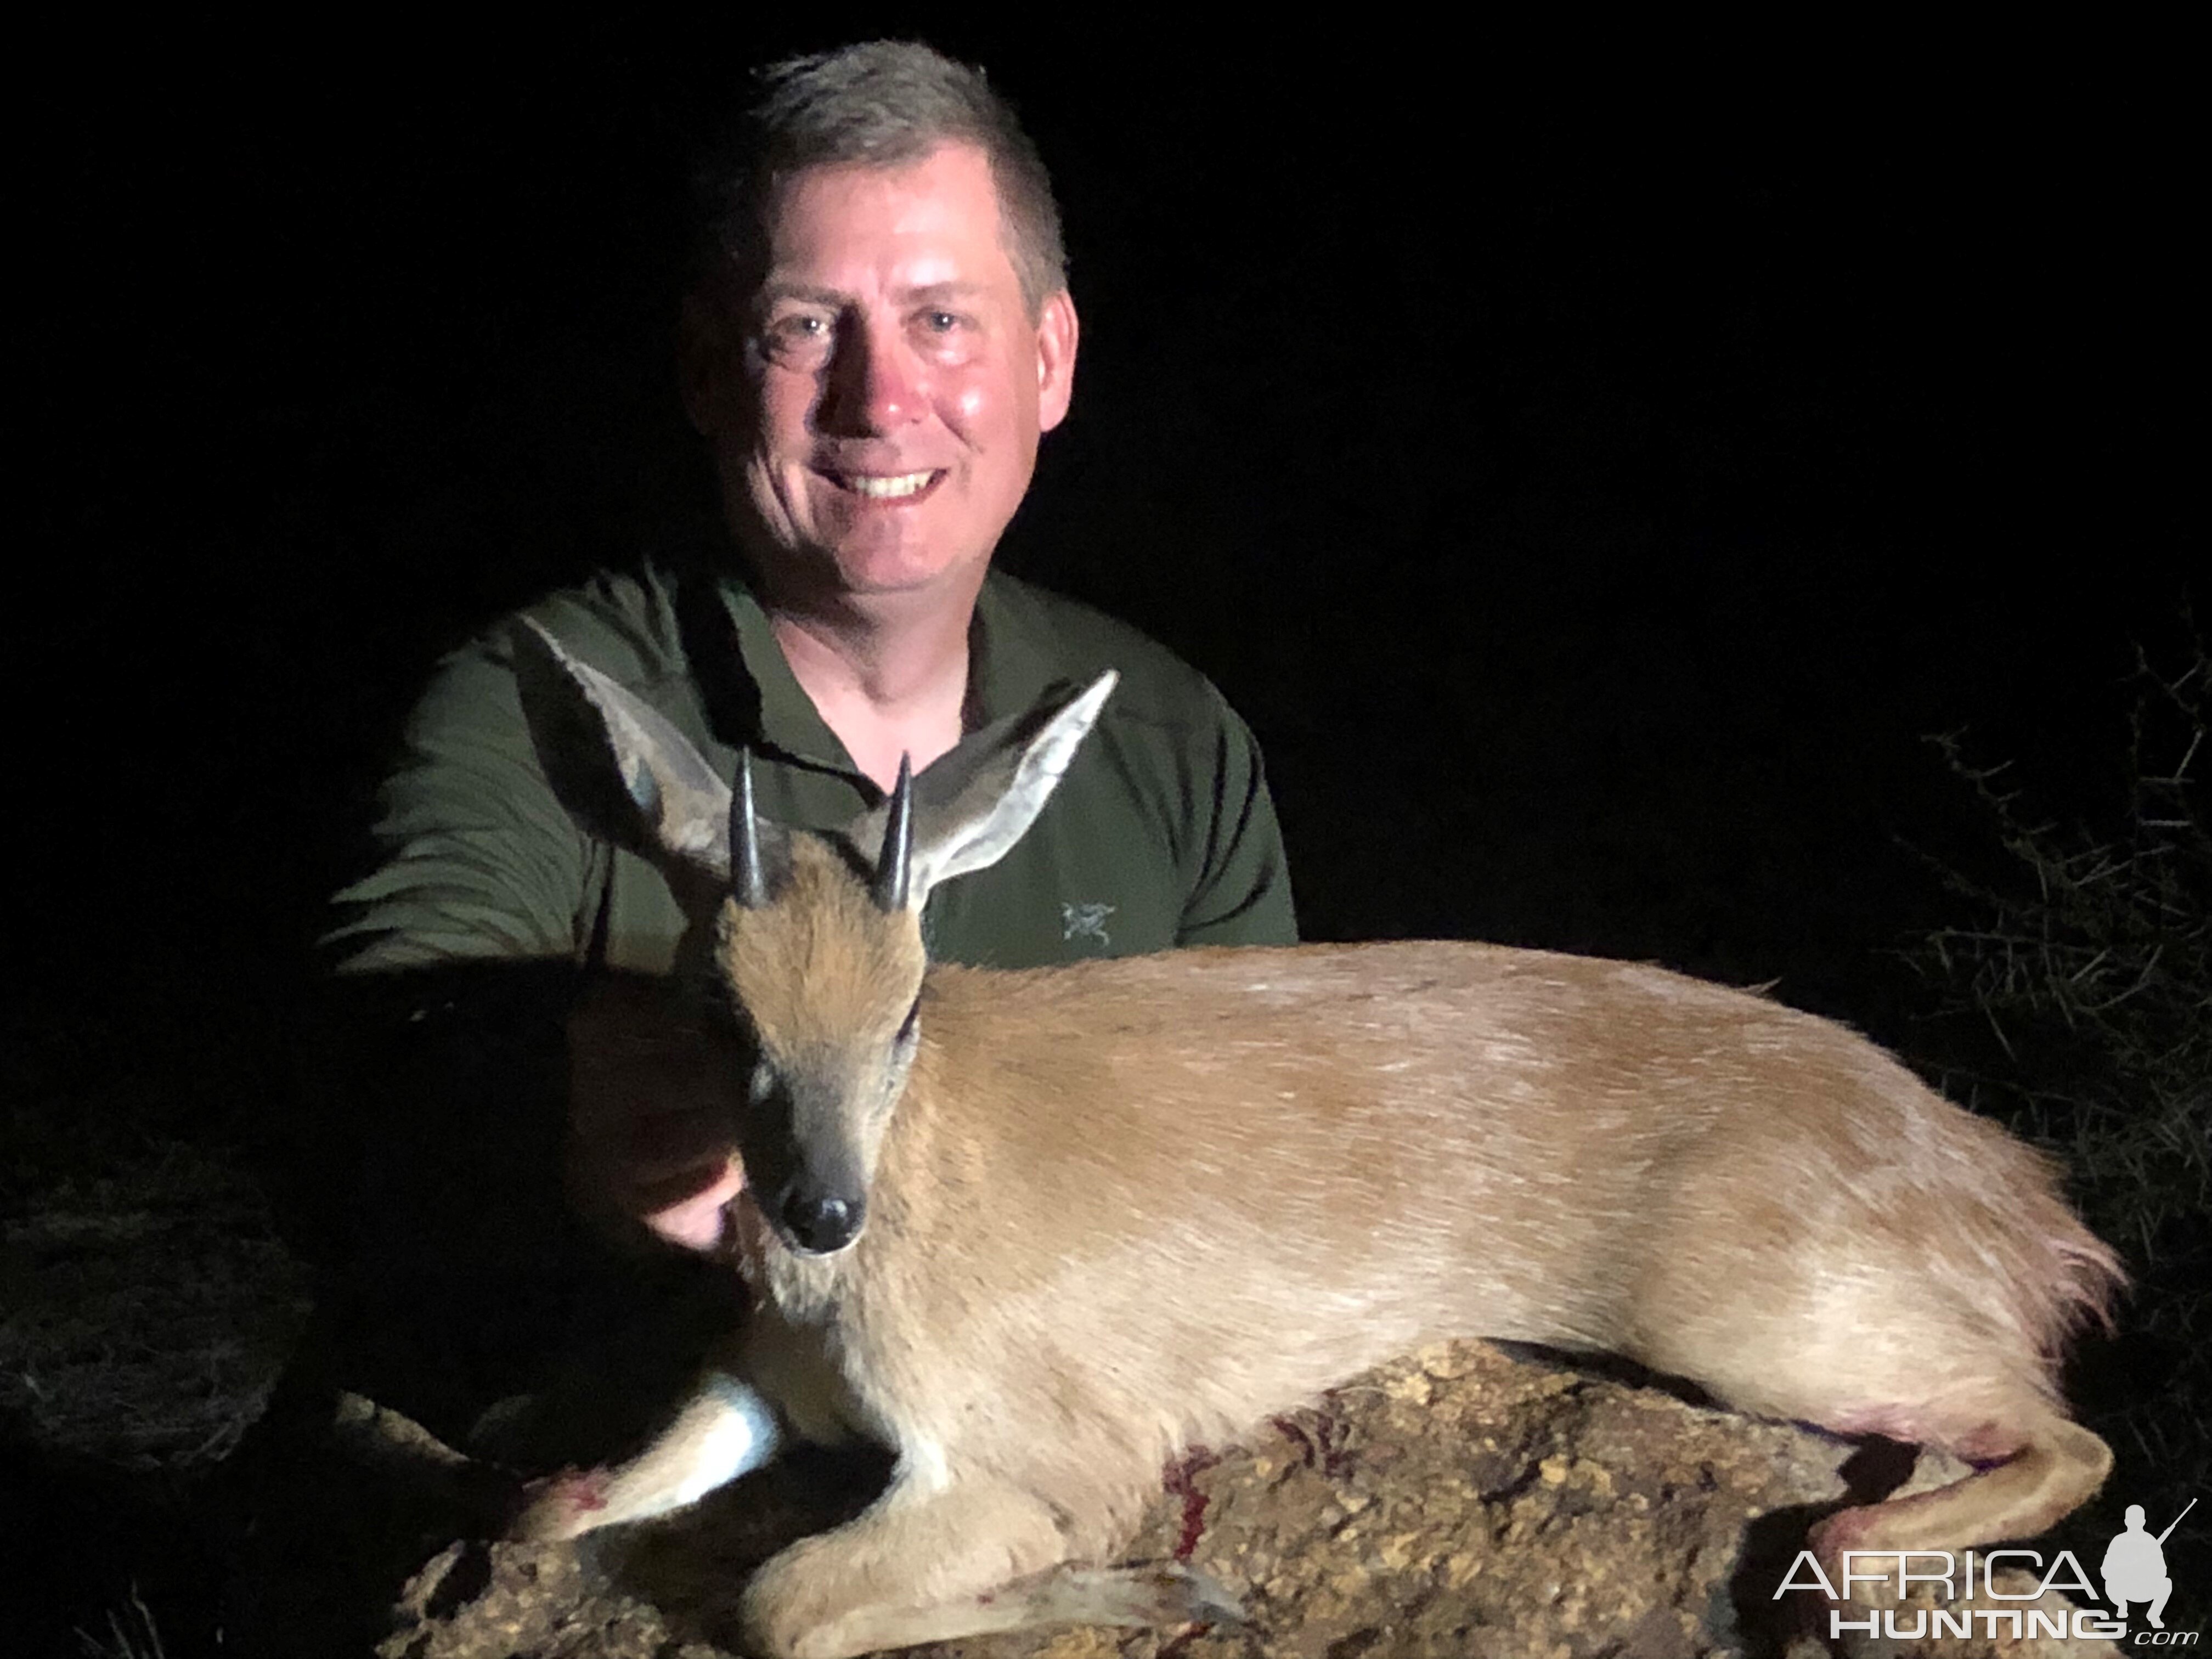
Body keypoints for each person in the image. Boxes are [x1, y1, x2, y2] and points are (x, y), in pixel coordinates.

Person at [303, 42, 1295, 1440]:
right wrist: (551, 1111)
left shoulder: (1166, 738)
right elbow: (364, 1070)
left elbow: (1261, 1136)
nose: (879, 402)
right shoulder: (547, 700)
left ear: (1050, 360)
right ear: (711, 372)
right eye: (808, 328)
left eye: (943, 320)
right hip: (609, 1437)